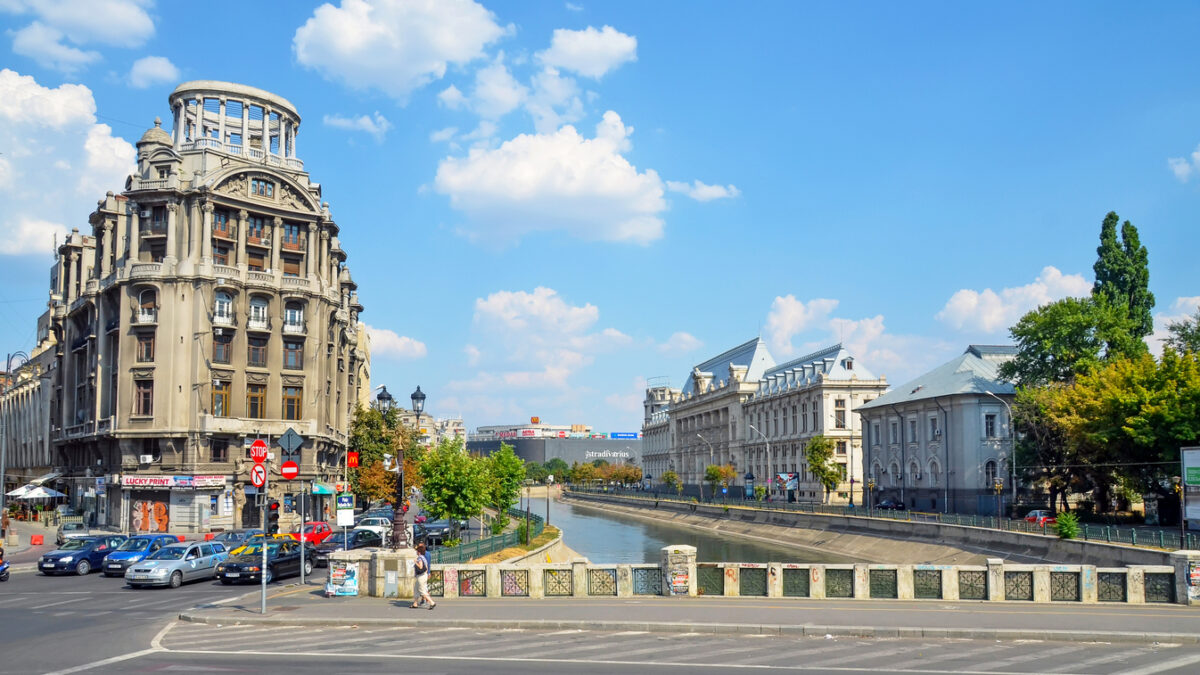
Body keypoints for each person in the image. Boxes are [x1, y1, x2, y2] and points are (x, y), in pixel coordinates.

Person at [410, 542, 435, 609]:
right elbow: (426, 567)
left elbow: (421, 567)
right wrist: (427, 573)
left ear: (419, 552)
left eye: (417, 551)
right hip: (423, 576)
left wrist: (415, 562)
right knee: (416, 589)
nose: (416, 552)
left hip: (421, 576)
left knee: (422, 590)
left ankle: (432, 602)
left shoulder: (420, 558)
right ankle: (415, 603)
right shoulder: (424, 557)